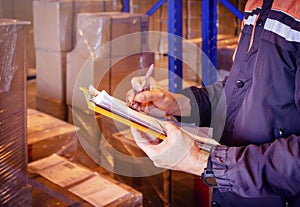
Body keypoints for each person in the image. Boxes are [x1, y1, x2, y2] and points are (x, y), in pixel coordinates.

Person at [126, 0, 300, 206]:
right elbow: (239, 91)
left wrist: (202, 162)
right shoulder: (257, 5)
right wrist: (177, 103)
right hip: (231, 194)